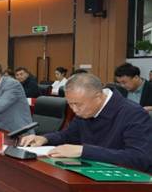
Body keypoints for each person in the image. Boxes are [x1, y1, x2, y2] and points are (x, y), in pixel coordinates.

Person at [20, 73, 152, 172]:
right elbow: (68, 135)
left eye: (78, 104)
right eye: (70, 104)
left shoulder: (133, 114)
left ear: (98, 97)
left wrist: (84, 151)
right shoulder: (85, 111)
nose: (74, 110)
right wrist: (44, 139)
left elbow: (140, 158)